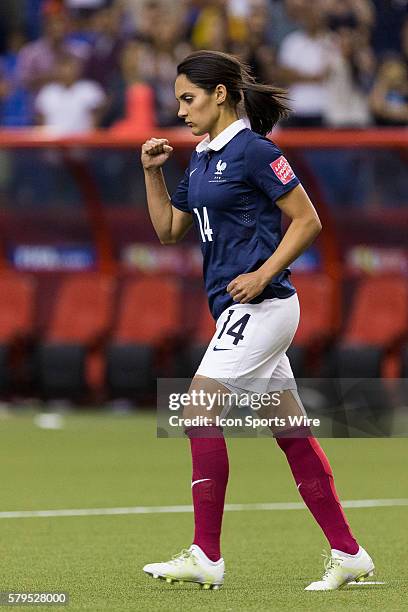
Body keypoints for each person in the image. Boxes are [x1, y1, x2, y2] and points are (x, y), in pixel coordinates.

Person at [140, 49, 375, 591]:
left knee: (198, 405)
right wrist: (153, 175)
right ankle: (349, 553)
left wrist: (265, 271)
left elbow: (307, 220)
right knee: (291, 433)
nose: (180, 110)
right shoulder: (200, 156)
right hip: (236, 308)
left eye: (188, 98)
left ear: (219, 94)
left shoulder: (254, 152)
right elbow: (169, 231)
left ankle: (206, 554)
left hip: (263, 307)